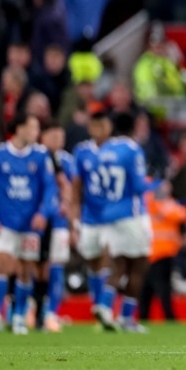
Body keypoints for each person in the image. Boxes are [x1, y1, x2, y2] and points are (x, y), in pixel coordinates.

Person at [0, 113, 56, 334]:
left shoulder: (40, 156)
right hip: (6, 222)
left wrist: (43, 213)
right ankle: (1, 314)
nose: (36, 132)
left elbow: (50, 187)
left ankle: (19, 316)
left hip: (31, 224)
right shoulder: (1, 154)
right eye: (33, 127)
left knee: (26, 269)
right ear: (19, 128)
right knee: (3, 266)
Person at [97, 111, 154, 333]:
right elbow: (138, 186)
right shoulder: (132, 149)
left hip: (109, 213)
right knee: (138, 267)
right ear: (133, 127)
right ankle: (127, 317)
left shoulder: (104, 150)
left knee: (119, 264)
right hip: (131, 214)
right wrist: (156, 183)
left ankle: (104, 305)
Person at [71, 106, 119, 330]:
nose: (99, 129)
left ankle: (104, 307)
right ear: (90, 127)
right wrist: (74, 218)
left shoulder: (119, 150)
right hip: (90, 217)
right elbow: (76, 187)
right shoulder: (82, 151)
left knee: (109, 259)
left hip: (113, 217)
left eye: (103, 124)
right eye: (95, 125)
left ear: (110, 127)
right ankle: (98, 305)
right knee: (93, 262)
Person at [36, 121, 75, 332]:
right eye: (54, 136)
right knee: (30, 267)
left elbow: (73, 189)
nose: (58, 140)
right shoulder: (35, 156)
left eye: (61, 137)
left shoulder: (67, 161)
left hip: (59, 223)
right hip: (34, 221)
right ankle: (27, 310)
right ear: (43, 136)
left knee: (56, 267)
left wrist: (72, 222)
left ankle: (51, 312)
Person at [139, 179, 186, 322]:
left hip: (151, 250)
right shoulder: (159, 202)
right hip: (160, 250)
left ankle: (144, 315)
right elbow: (181, 214)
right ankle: (168, 315)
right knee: (161, 286)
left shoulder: (145, 202)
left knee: (147, 286)